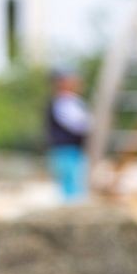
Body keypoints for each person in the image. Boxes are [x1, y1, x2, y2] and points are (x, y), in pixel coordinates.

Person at [46, 68, 90, 202]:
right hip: (65, 149)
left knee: (75, 184)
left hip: (73, 148)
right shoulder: (62, 102)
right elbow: (78, 124)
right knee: (69, 185)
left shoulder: (73, 101)